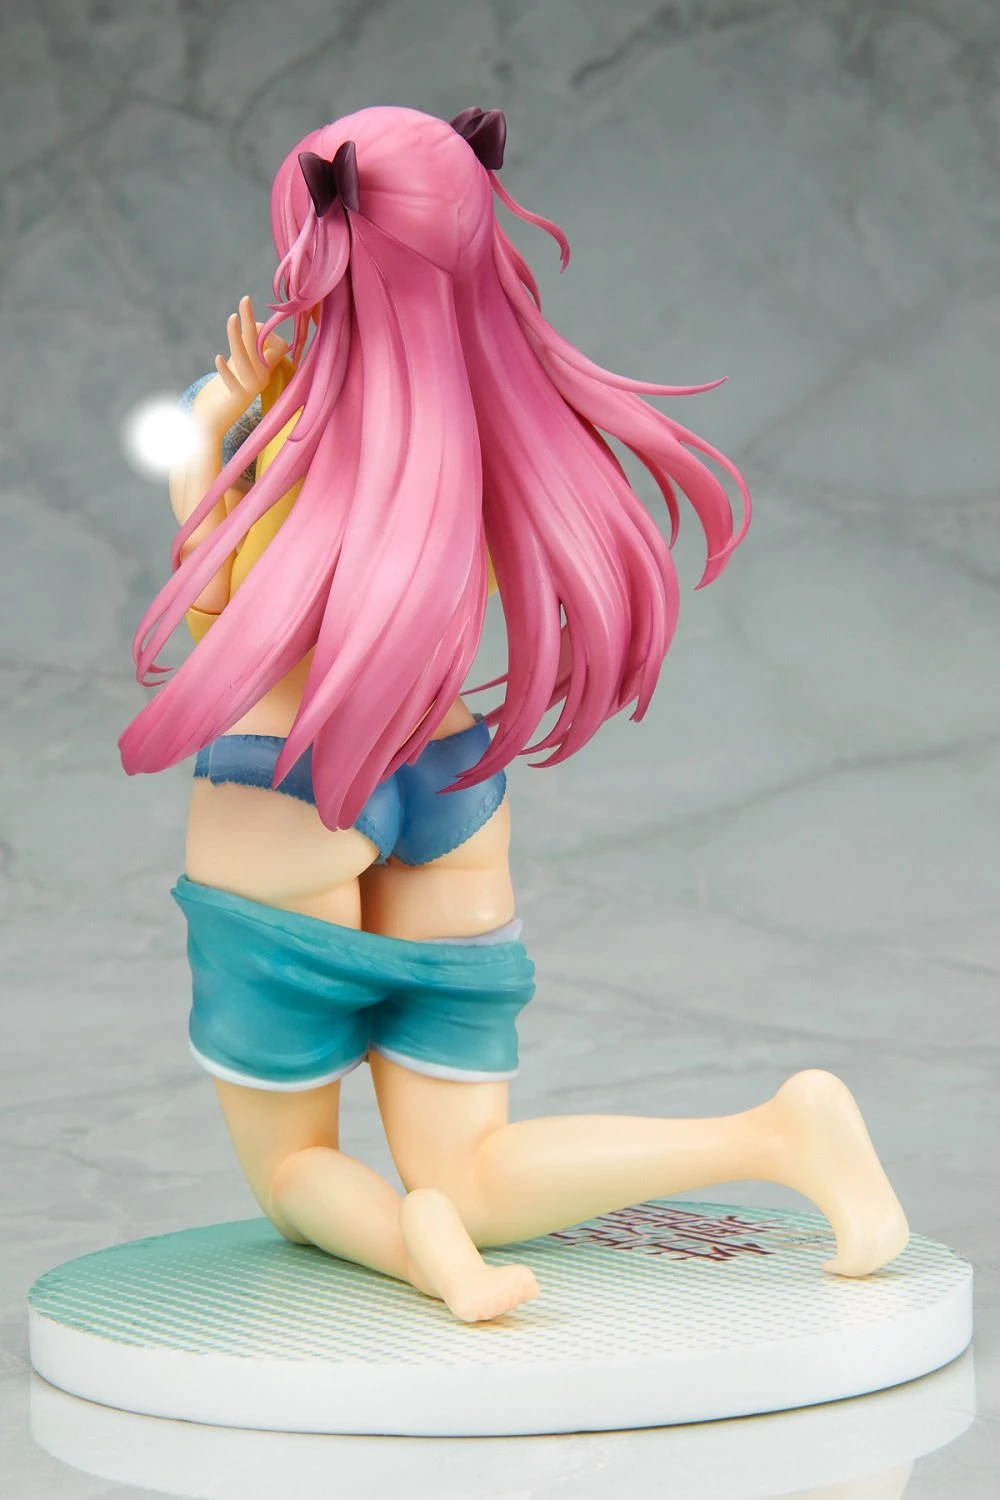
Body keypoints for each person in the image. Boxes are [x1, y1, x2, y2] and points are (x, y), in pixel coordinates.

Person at [119, 105, 908, 1323]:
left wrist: (215, 435)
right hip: (446, 783)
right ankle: (774, 1134)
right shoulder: (506, 427)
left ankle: (415, 1248)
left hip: (290, 780)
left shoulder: (269, 424)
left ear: (314, 248)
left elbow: (225, 619)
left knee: (290, 1169)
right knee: (474, 1170)